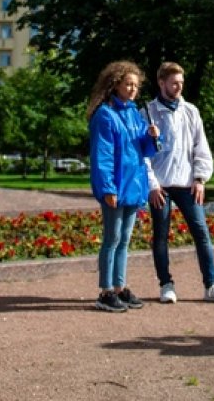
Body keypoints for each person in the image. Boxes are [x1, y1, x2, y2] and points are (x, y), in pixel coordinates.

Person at [144, 62, 214, 305]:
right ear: (161, 83)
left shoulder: (191, 111)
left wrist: (200, 178)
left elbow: (200, 147)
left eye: (181, 82)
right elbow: (143, 155)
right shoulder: (148, 113)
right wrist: (152, 184)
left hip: (187, 184)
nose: (179, 86)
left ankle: (211, 284)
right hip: (161, 186)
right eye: (174, 82)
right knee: (161, 235)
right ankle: (166, 284)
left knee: (201, 233)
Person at [87, 61, 159, 312]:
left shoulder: (133, 113)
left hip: (133, 185)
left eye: (136, 86)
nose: (132, 89)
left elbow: (143, 152)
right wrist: (108, 188)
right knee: (112, 238)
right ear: (115, 83)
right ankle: (105, 290)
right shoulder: (105, 115)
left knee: (124, 239)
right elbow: (102, 156)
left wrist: (150, 137)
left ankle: (119, 287)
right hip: (116, 187)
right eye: (128, 84)